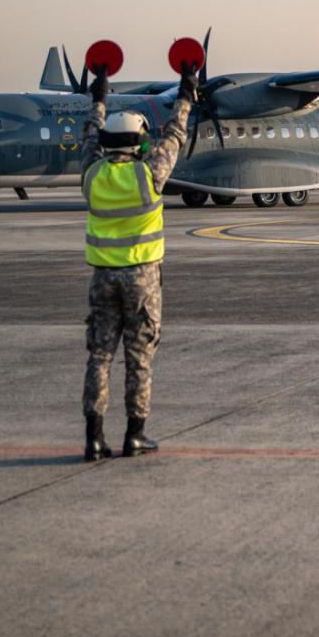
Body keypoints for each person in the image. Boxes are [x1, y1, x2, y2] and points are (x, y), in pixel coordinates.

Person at [79, 61, 197, 460]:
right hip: (143, 279)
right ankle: (135, 434)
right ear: (139, 143)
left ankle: (94, 439)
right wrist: (187, 89)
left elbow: (89, 136)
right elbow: (176, 135)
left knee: (99, 356)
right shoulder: (150, 175)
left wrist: (99, 97)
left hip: (102, 278)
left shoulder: (92, 176)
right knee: (139, 357)